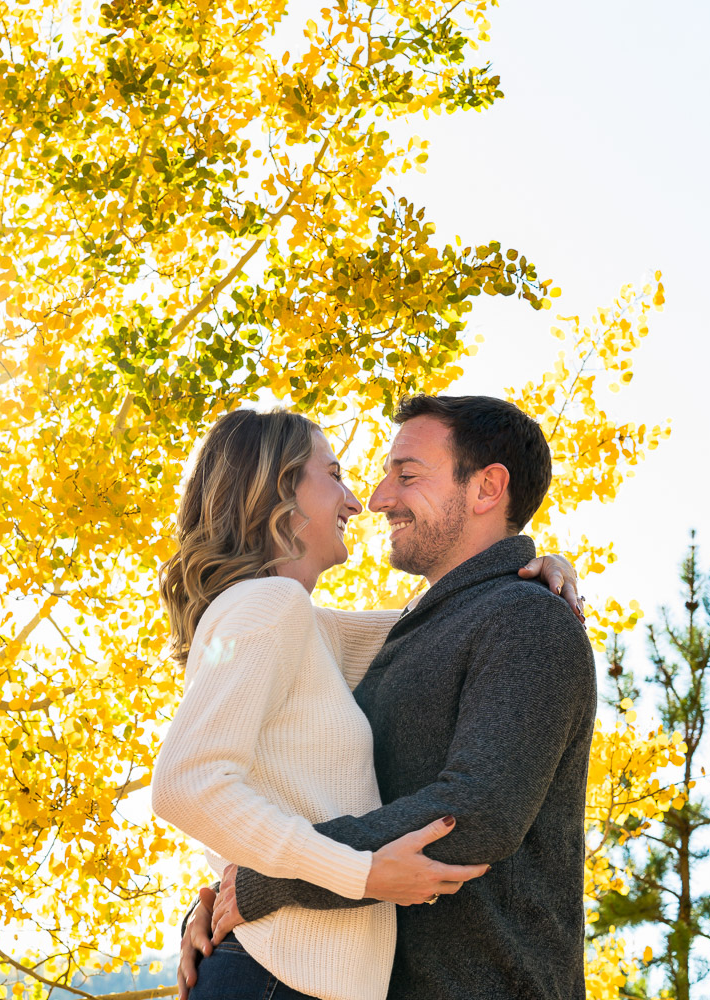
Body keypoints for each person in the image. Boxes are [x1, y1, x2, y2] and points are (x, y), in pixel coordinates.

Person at [150, 401, 586, 1000]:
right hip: (287, 976)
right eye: (338, 476)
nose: (371, 500)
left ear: (488, 487)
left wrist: (260, 886)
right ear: (278, 495)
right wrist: (249, 890)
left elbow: (475, 803)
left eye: (406, 475)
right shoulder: (273, 608)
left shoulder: (510, 620)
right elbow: (191, 783)